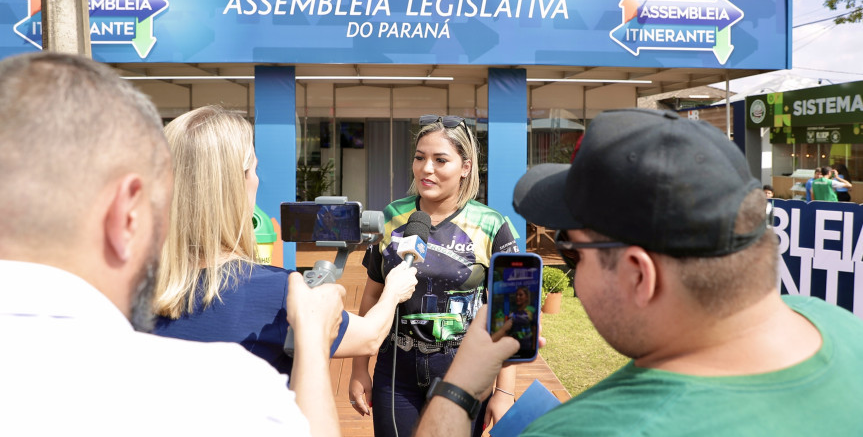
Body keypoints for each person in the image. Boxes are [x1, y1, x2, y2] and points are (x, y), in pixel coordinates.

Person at [415, 108, 863, 437]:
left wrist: (460, 385)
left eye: (571, 253)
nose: (571, 275)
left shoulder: (589, 429)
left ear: (637, 275)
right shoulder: (840, 326)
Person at [0, 52, 345, 436]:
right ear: (126, 211)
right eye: (252, 170)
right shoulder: (240, 389)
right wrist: (313, 339)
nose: (257, 180)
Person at [152, 105, 418, 375]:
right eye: (253, 169)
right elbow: (369, 337)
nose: (257, 180)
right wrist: (393, 292)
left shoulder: (135, 290)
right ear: (236, 184)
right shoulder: (281, 292)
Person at [349, 114, 519, 437]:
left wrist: (504, 391)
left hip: (463, 367)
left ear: (465, 167)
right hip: (395, 369)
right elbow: (372, 294)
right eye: (420, 157)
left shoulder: (492, 224)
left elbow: (508, 311)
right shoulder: (392, 215)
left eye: (440, 160)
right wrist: (359, 368)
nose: (426, 169)